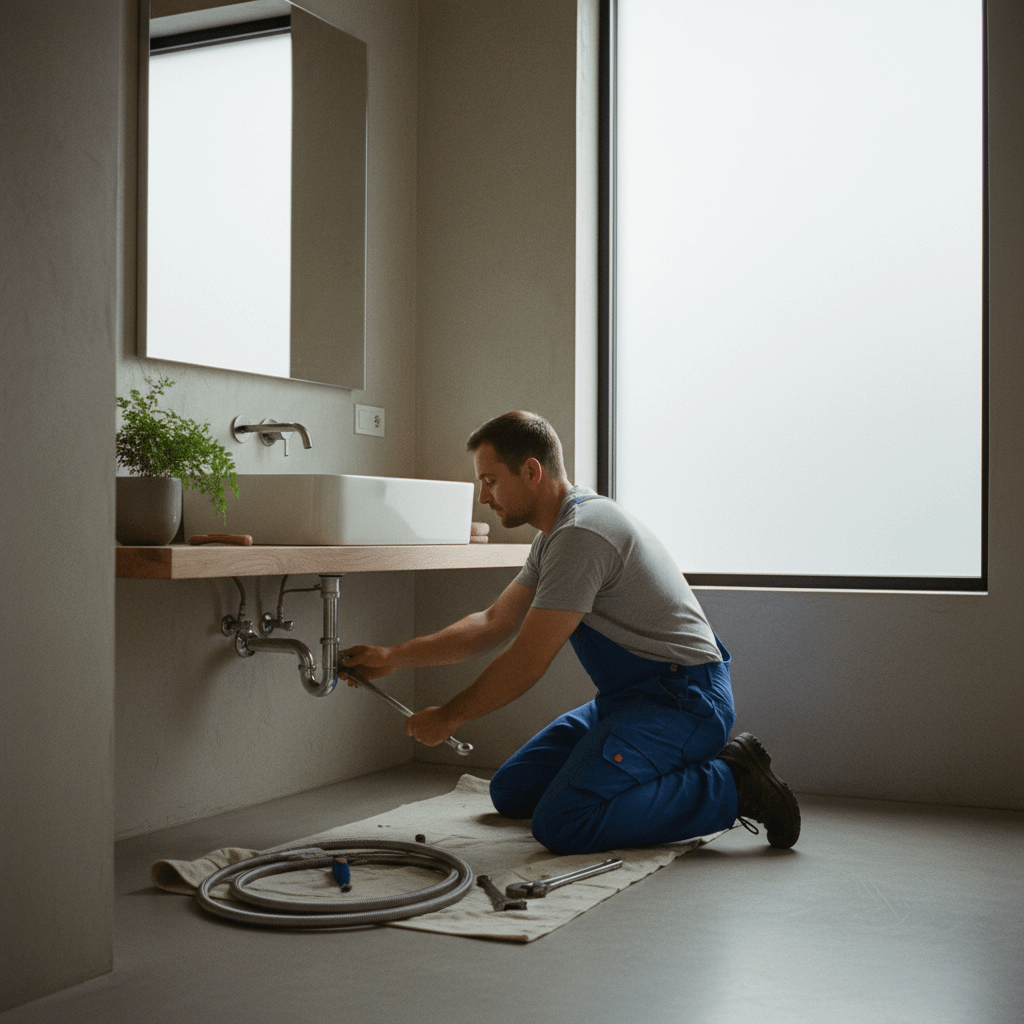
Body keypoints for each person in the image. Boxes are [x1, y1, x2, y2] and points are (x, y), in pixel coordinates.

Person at [340, 411, 800, 855]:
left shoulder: (583, 534)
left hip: (684, 702)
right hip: (630, 700)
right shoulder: (554, 537)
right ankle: (648, 773)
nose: (483, 497)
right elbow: (491, 623)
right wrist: (392, 656)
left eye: (490, 480)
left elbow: (527, 661)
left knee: (563, 822)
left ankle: (732, 784)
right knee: (512, 791)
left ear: (532, 470)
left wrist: (449, 716)